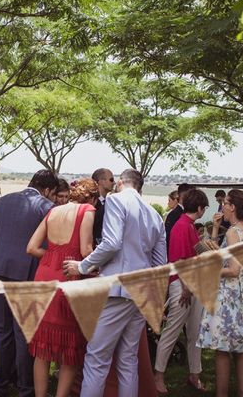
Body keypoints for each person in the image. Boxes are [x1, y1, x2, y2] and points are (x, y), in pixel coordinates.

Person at [62, 169, 167, 397]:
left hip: (118, 289)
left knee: (97, 358)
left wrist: (82, 266)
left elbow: (111, 243)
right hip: (142, 292)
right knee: (128, 360)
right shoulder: (155, 215)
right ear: (140, 187)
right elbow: (161, 264)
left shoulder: (115, 200)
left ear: (120, 182)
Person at [0, 169, 59, 397]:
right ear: (47, 190)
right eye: (53, 193)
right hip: (26, 275)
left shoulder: (3, 202)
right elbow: (48, 246)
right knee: (24, 332)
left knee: (0, 330)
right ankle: (26, 387)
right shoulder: (46, 207)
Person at [26, 178, 98, 397]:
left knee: (42, 348)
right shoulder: (87, 209)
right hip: (69, 278)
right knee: (70, 348)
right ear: (92, 197)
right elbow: (86, 250)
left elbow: (31, 248)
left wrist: (52, 257)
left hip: (44, 277)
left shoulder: (53, 211)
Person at [198, 189, 243, 397]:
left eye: (225, 203)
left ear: (232, 207)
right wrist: (214, 229)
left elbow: (233, 269)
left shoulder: (232, 232)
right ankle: (242, 392)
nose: (222, 206)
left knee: (222, 350)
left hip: (228, 295)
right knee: (240, 350)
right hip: (241, 293)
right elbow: (218, 254)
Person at [154, 188, 209, 394]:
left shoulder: (191, 226)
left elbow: (196, 253)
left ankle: (194, 375)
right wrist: (186, 287)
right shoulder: (181, 226)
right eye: (204, 207)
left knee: (195, 333)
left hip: (193, 285)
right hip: (183, 286)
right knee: (171, 332)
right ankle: (158, 376)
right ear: (200, 208)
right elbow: (177, 260)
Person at [164, 183, 193, 249]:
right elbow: (167, 235)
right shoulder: (174, 214)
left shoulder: (178, 213)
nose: (168, 203)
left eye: (169, 200)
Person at [91, 168, 114, 246]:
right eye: (111, 180)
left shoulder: (110, 201)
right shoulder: (90, 201)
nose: (114, 183)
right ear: (101, 181)